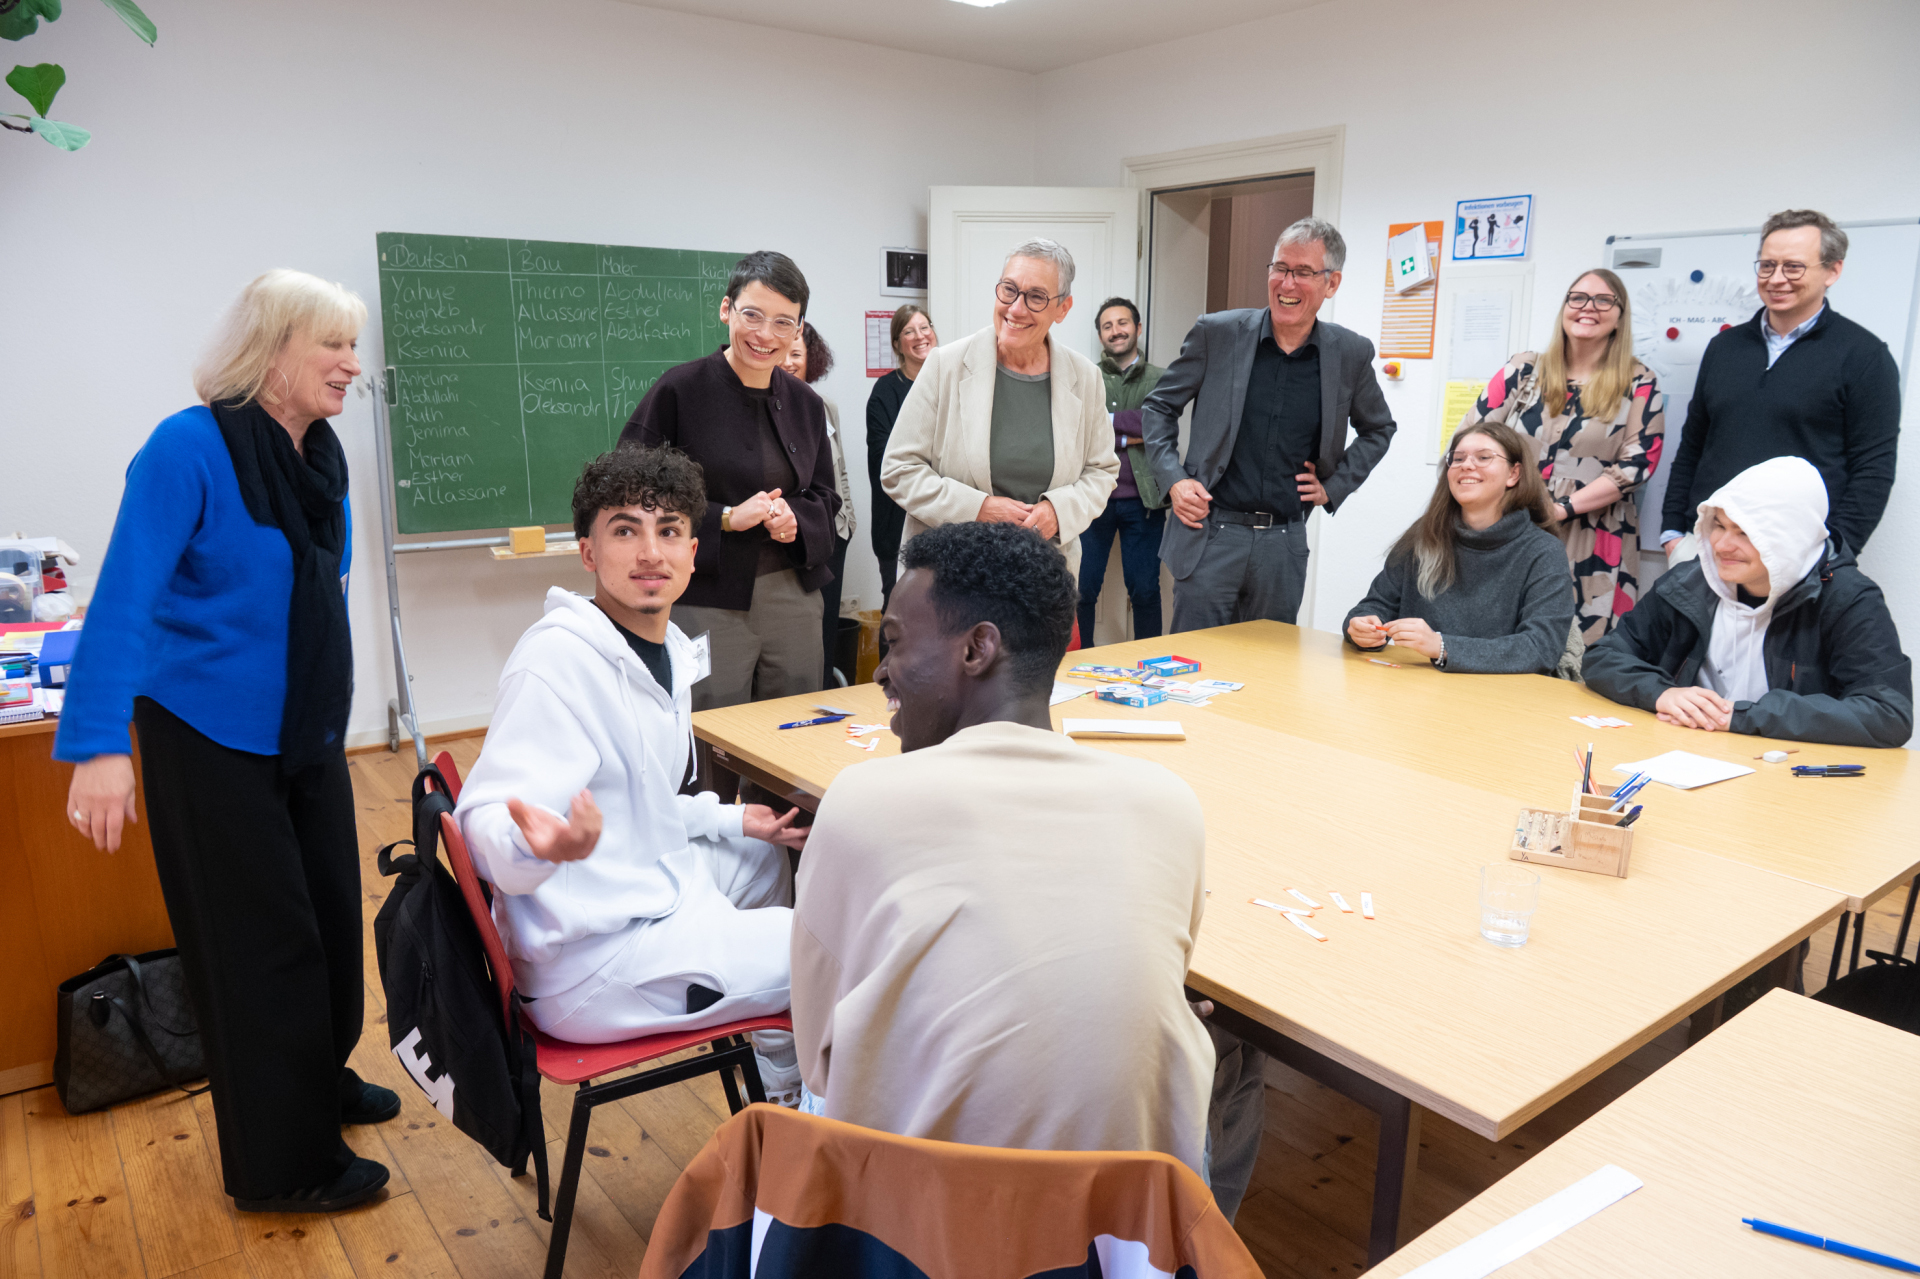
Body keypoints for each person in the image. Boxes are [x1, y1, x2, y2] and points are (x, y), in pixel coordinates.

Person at [56, 270, 395, 1213]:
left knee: (328, 925)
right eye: (333, 346)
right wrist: (99, 743)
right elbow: (122, 597)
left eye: (353, 347)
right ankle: (285, 1163)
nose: (352, 366)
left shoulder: (319, 456)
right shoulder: (186, 448)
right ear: (275, 349)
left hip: (308, 731)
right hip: (206, 737)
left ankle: (314, 1085)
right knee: (261, 952)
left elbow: (320, 595)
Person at [790, 521, 1212, 1176]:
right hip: (1124, 1230)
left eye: (895, 644)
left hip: (920, 1231)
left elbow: (819, 1056)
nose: (882, 672)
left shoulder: (861, 803)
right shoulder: (1170, 802)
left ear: (976, 649)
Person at [453, 446, 811, 1099]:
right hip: (590, 962)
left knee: (761, 861)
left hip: (640, 896)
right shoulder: (557, 663)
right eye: (625, 529)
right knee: (821, 944)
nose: (651, 551)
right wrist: (538, 849)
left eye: (668, 530)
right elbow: (484, 819)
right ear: (587, 552)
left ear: (693, 552)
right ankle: (794, 1106)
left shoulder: (666, 649)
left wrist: (731, 816)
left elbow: (640, 801)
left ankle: (773, 1073)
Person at [1141, 217, 1397, 631]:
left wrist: (1334, 486)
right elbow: (1158, 408)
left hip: (1283, 545)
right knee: (1188, 671)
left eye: (1303, 273)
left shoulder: (1349, 353)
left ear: (1332, 284)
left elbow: (1379, 428)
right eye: (1279, 268)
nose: (1286, 283)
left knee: (1264, 676)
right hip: (1210, 534)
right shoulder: (1217, 333)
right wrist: (1174, 478)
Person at [618, 250, 840, 710]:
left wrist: (795, 519)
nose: (765, 335)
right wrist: (724, 518)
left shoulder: (806, 404)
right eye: (753, 315)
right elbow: (629, 491)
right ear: (726, 310)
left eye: (784, 323)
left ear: (799, 329)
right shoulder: (678, 391)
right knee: (711, 729)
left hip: (794, 597)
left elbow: (825, 497)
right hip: (707, 596)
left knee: (794, 729)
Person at [1585, 456, 1911, 748]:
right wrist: (1660, 693)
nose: (1722, 545)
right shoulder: (1689, 580)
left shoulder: (1848, 599)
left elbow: (1888, 713)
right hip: (1684, 751)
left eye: (1744, 533)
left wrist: (1742, 717)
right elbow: (1604, 657)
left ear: (1787, 538)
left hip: (1787, 772)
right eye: (1720, 526)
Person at [1659, 209, 1901, 561]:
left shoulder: (1864, 356)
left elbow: (1873, 469)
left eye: (1793, 266)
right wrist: (1671, 530)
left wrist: (1835, 552)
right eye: (1767, 265)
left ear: (1833, 270)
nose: (1776, 278)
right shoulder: (1724, 348)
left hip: (1796, 555)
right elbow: (1693, 444)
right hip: (1706, 544)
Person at [880, 239, 1118, 581]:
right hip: (951, 577)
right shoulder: (945, 365)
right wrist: (978, 509)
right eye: (1009, 290)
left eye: (1036, 297)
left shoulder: (1085, 378)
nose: (1016, 309)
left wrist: (1059, 511)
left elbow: (1101, 472)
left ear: (1062, 309)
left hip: (1042, 579)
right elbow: (899, 469)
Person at [1457, 269, 1665, 643]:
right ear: (1565, 307)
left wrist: (1560, 509)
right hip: (1510, 526)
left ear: (1620, 315)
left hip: (1593, 536)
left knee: (1578, 649)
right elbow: (1470, 437)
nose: (1589, 308)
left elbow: (1638, 464)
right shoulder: (1523, 369)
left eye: (1604, 300)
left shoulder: (1638, 381)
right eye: (1578, 297)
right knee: (1494, 632)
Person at [1345, 420, 1575, 674]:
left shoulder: (1544, 552)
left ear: (1513, 474)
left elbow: (1540, 648)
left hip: (1498, 699)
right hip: (1415, 690)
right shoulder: (1423, 534)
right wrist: (1360, 626)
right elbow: (1377, 604)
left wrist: (1442, 647)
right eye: (1458, 458)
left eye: (1484, 457)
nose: (1467, 465)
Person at [1079, 296, 1169, 644]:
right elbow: (1081, 429)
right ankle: (1079, 660)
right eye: (1107, 326)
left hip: (1144, 502)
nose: (1116, 331)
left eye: (1122, 323)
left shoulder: (1163, 379)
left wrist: (1109, 426)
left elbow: (1157, 425)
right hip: (1092, 500)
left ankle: (1149, 662)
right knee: (1081, 590)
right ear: (1101, 335)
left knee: (1145, 590)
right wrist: (1129, 434)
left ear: (1138, 328)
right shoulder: (1085, 377)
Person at [784, 322, 855, 684]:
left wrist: (848, 522)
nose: (789, 361)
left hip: (834, 531)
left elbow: (839, 470)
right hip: (799, 533)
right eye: (784, 354)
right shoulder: (777, 408)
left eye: (796, 354)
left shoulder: (825, 406)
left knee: (827, 624)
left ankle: (826, 690)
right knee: (804, 630)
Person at [866, 305, 937, 611]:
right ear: (897, 344)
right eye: (909, 331)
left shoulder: (948, 384)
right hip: (896, 521)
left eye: (925, 327)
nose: (920, 336)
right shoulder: (885, 391)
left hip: (946, 518)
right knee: (899, 610)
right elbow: (884, 460)